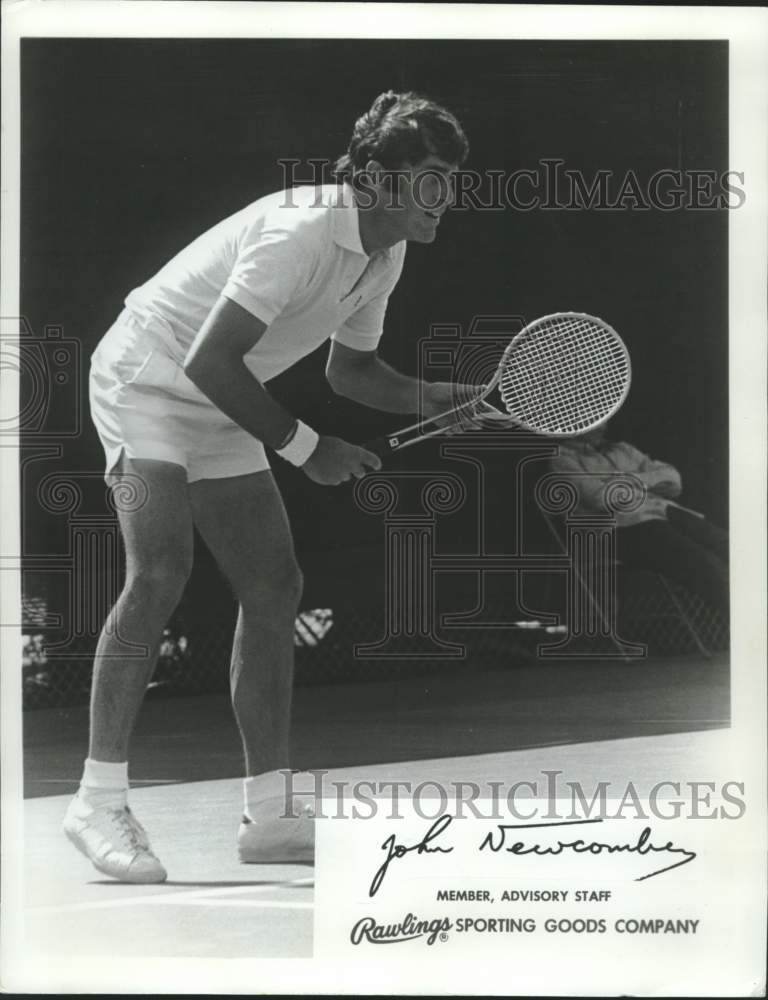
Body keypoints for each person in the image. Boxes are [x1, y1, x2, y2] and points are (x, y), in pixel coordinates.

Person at [63, 91, 470, 883]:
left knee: (274, 583)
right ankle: (97, 800)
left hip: (222, 397)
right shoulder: (300, 230)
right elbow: (208, 358)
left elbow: (350, 370)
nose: (444, 197)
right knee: (161, 570)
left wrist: (432, 396)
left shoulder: (386, 251)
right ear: (379, 180)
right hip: (147, 380)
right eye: (429, 178)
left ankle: (271, 814)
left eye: (451, 179)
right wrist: (306, 446)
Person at [548, 425, 729, 613]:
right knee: (704, 565)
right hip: (618, 532)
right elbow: (601, 498)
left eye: (601, 420)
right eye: (590, 421)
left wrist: (627, 481)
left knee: (727, 545)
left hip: (664, 513)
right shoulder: (562, 458)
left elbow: (674, 481)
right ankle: (742, 618)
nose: (599, 426)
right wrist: (650, 483)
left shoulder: (624, 449)